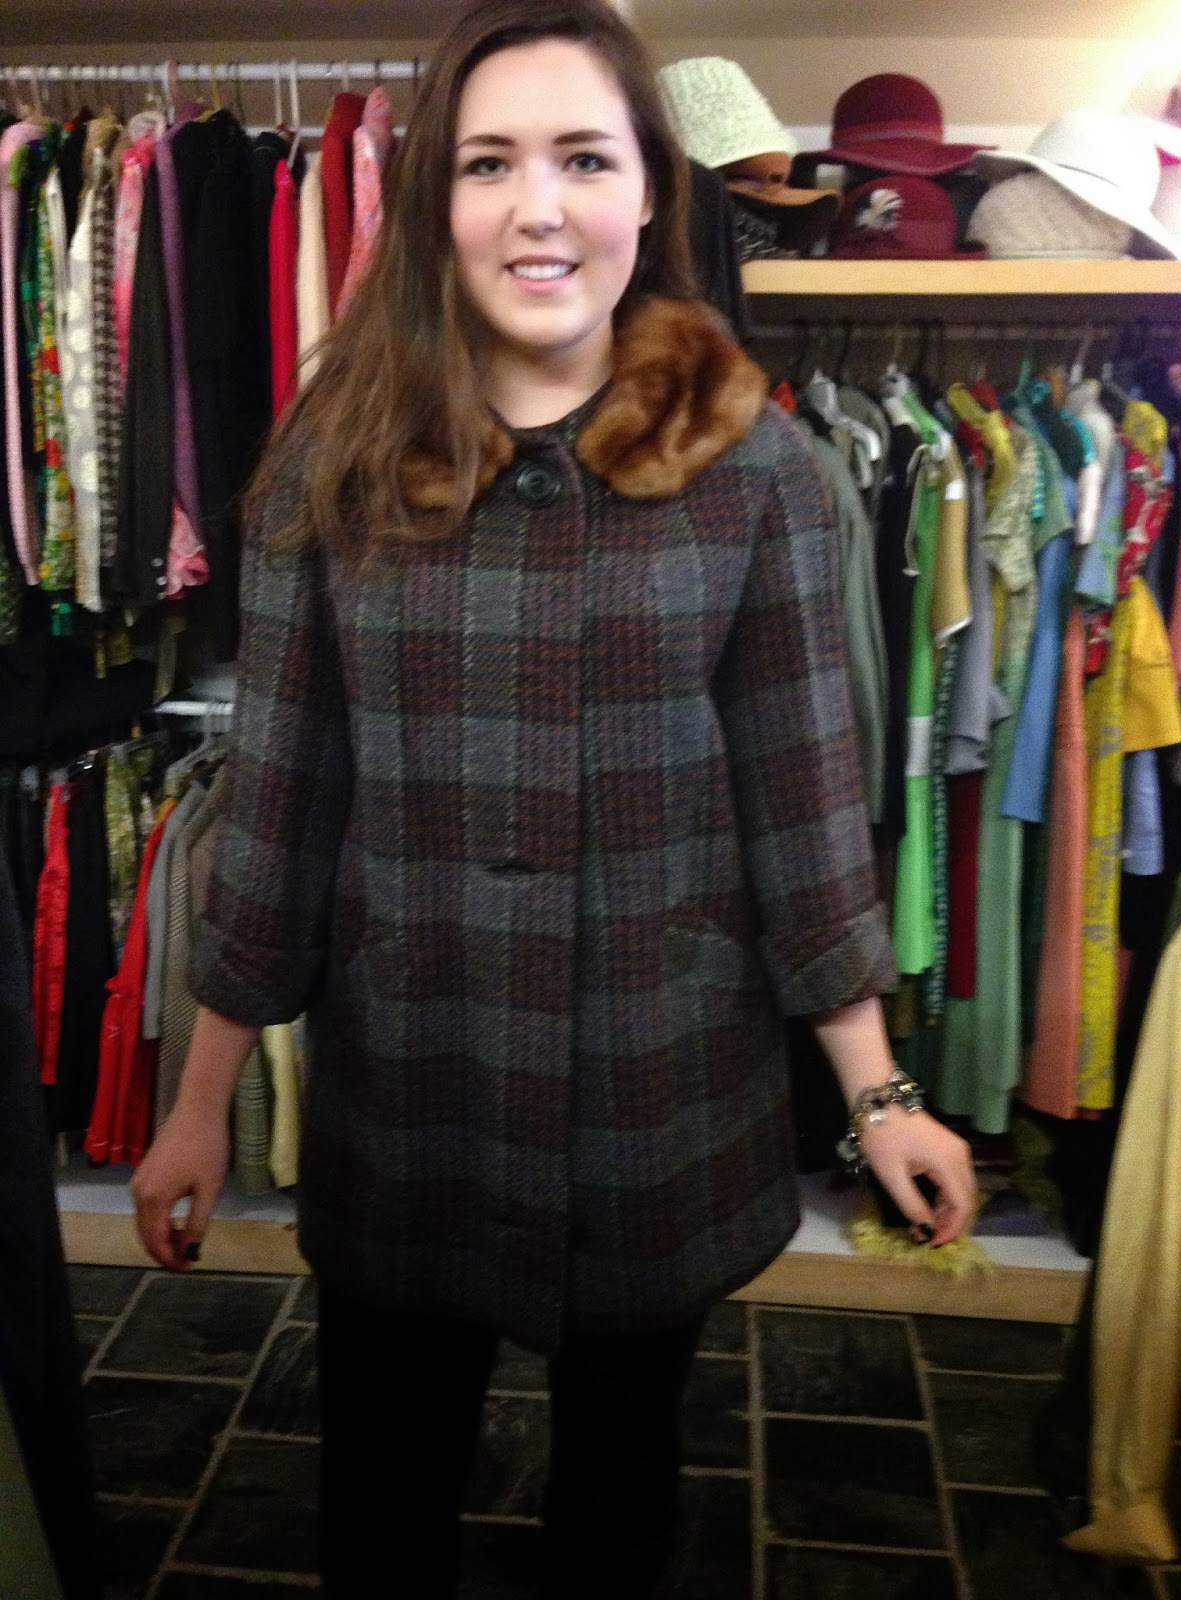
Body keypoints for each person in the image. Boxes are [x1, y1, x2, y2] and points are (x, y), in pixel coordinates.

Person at [132, 2, 977, 1594]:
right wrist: (195, 1103)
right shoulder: (332, 462)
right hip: (416, 1082)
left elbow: (802, 804)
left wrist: (881, 1099)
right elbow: (283, 801)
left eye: (585, 159)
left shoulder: (759, 475)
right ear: (434, 201)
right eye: (489, 163)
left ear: (650, 190)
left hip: (657, 1083)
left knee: (619, 1501)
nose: (539, 208)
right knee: (382, 1498)